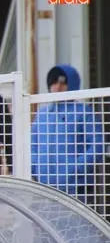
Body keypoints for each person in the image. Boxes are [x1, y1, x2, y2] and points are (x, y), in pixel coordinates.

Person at [30, 64, 105, 211]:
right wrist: (36, 167)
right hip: (44, 187)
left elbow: (98, 144)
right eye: (54, 82)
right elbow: (33, 144)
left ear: (72, 84)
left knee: (77, 224)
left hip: (75, 187)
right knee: (45, 224)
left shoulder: (84, 112)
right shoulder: (42, 114)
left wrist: (76, 167)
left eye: (63, 83)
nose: (57, 87)